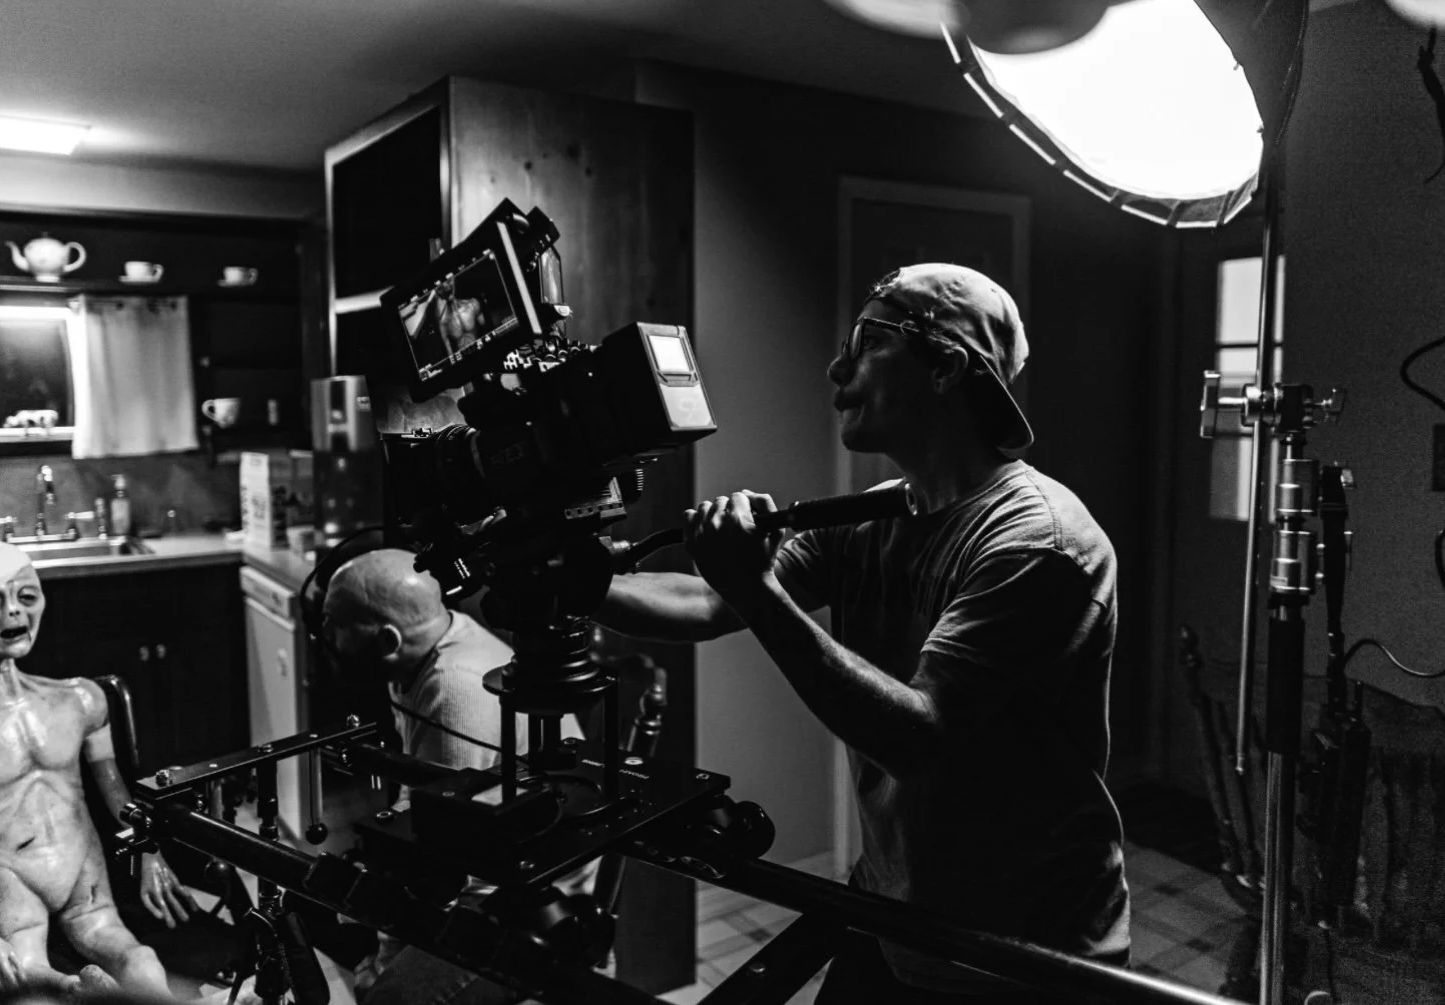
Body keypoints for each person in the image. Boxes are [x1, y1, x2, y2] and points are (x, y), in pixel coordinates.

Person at [598, 263, 1130, 1004]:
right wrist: (579, 585)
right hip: (894, 905)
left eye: (868, 341)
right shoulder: (880, 513)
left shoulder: (1040, 542)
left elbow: (919, 738)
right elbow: (712, 605)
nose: (836, 367)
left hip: (1018, 948)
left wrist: (754, 588)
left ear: (945, 367)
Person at [0, 542, 195, 996]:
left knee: (139, 959)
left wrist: (149, 852)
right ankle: (77, 990)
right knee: (26, 980)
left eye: (26, 597)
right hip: (13, 881)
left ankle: (100, 993)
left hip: (85, 876)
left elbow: (116, 792)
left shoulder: (81, 700)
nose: (14, 613)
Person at [322, 548, 596, 1005]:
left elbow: (442, 863)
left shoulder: (455, 689)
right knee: (315, 904)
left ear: (387, 640)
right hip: (483, 866)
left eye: (334, 624)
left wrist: (384, 961)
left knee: (389, 1002)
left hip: (527, 899)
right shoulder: (419, 649)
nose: (324, 635)